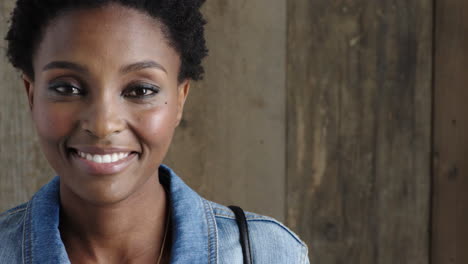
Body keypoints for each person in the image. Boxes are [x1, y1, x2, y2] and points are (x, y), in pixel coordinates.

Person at [0, 0, 309, 263]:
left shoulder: (267, 253)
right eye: (67, 87)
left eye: (140, 90)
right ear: (31, 94)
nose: (103, 124)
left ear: (179, 100)